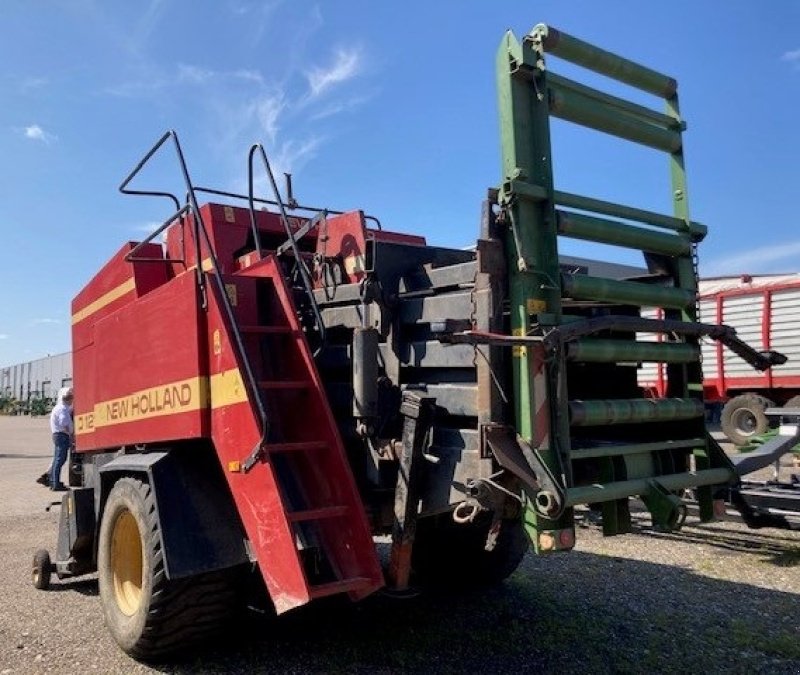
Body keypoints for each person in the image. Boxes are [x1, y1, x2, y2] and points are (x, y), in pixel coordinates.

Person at [47, 387, 74, 491]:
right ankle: (56, 484)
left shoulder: (59, 407)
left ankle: (53, 481)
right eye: (70, 398)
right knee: (60, 459)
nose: (71, 400)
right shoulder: (62, 409)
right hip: (61, 435)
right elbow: (64, 423)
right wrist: (70, 433)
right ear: (66, 399)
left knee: (57, 459)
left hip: (58, 435)